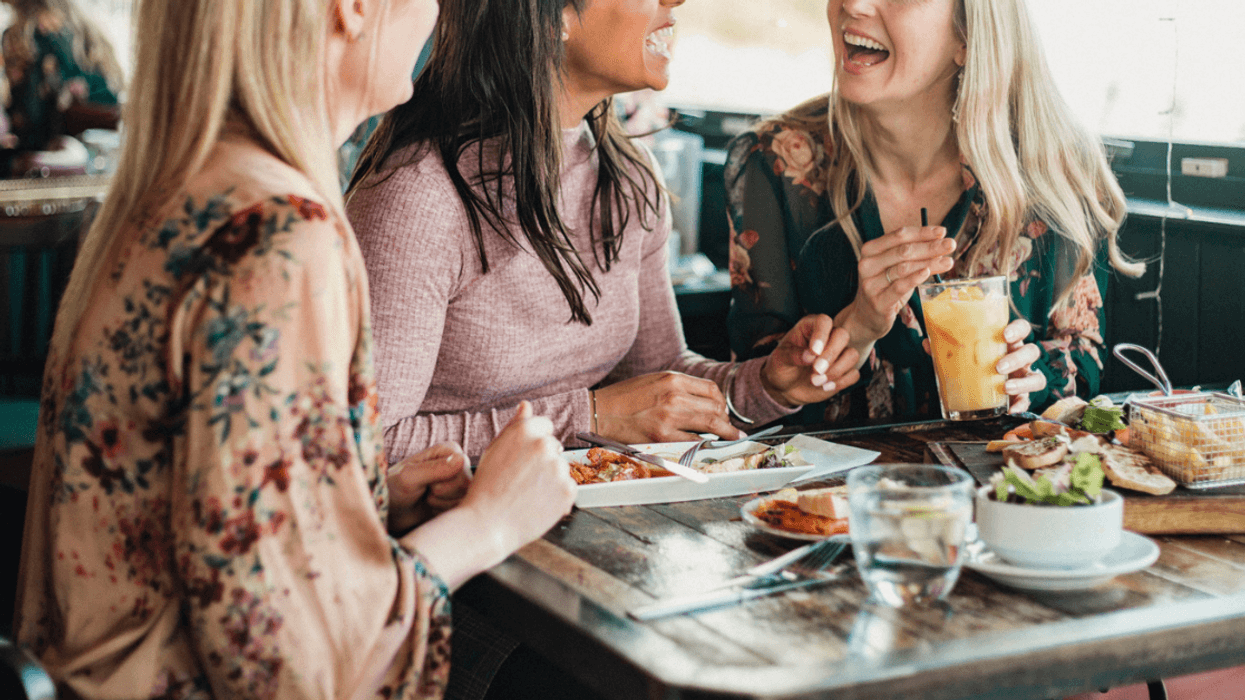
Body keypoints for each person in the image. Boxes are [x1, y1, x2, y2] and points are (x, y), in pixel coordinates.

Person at [15, 0, 576, 698]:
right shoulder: (280, 232)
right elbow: (290, 673)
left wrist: (355, 498)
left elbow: (206, 516)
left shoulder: (180, 188)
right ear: (352, 8)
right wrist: (488, 524)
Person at [346, 0, 861, 469]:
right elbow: (362, 443)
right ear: (554, 17)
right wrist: (586, 416)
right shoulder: (420, 196)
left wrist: (768, 383)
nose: (676, 1)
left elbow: (660, 379)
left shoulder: (628, 178)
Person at [725, 0, 1144, 427]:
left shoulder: (1051, 165)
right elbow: (757, 399)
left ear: (967, 37)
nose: (852, 3)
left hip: (999, 487)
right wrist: (859, 327)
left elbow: (1081, 362)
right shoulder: (775, 162)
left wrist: (1032, 380)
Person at [1, 0, 123, 152]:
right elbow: (113, 98)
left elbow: (32, 119)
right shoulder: (87, 29)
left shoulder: (23, 35)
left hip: (50, 155)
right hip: (101, 148)